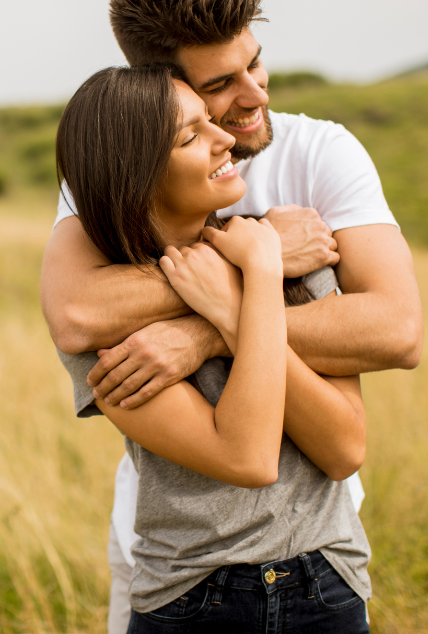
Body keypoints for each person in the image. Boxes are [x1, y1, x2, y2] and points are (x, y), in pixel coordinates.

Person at [40, 0, 423, 633]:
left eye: (256, 63)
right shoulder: (112, 169)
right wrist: (251, 257)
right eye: (220, 85)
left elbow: (397, 331)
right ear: (157, 93)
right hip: (183, 559)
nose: (253, 97)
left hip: (317, 546)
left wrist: (218, 318)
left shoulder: (321, 154)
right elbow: (75, 314)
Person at [55, 63, 372, 632]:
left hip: (328, 582)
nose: (226, 138)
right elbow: (247, 457)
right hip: (193, 597)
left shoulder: (282, 252)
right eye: (191, 135)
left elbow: (346, 449)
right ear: (136, 175)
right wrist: (248, 284)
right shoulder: (115, 324)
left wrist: (233, 310)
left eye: (209, 122)